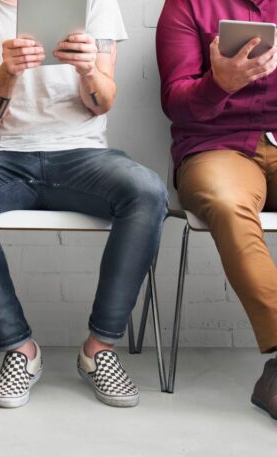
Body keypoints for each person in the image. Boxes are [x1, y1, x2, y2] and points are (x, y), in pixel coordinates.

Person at [0, 0, 167, 408]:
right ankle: (20, 351)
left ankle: (100, 350)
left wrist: (89, 68)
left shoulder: (95, 2)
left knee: (146, 190)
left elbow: (103, 101)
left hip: (82, 154)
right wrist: (7, 74)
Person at [157, 0, 277, 421]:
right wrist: (219, 84)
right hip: (215, 148)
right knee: (228, 204)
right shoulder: (187, 6)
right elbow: (175, 101)